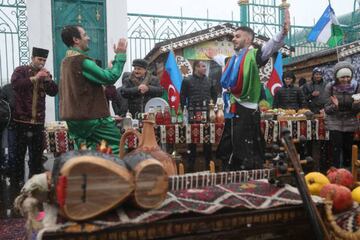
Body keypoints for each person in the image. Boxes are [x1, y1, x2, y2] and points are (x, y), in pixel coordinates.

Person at [214, 8, 290, 171]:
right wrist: (211, 55)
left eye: (237, 36)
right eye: (233, 36)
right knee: (231, 145)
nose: (233, 39)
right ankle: (231, 177)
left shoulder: (255, 56)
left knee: (247, 150)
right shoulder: (232, 59)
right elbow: (221, 59)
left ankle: (248, 182)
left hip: (247, 110)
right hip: (232, 110)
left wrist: (282, 33)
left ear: (248, 39)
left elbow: (271, 46)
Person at [59, 25, 127, 154]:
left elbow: (90, 81)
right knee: (116, 148)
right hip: (93, 118)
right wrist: (120, 56)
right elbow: (110, 78)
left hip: (74, 119)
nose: (88, 38)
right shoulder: (82, 61)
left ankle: (90, 173)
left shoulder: (65, 62)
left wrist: (107, 69)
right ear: (76, 40)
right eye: (84, 35)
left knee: (87, 153)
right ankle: (117, 173)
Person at [11, 47, 58, 187]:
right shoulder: (21, 71)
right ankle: (17, 183)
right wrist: (35, 78)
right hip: (21, 121)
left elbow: (54, 92)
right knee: (19, 154)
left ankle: (35, 183)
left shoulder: (45, 74)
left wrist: (48, 80)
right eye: (39, 59)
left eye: (44, 60)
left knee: (36, 156)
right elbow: (16, 84)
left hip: (37, 122)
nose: (42, 63)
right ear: (32, 58)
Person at [180, 60, 217, 172]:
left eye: (205, 66)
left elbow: (214, 95)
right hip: (192, 113)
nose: (205, 68)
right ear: (196, 67)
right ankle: (191, 168)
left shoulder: (209, 80)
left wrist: (211, 107)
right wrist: (184, 111)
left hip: (206, 113)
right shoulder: (187, 80)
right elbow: (182, 97)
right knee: (192, 141)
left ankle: (208, 166)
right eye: (203, 66)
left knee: (207, 140)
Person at [324, 61, 360, 168]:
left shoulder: (357, 86)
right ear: (337, 77)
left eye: (348, 77)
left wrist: (356, 105)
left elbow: (356, 111)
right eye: (342, 77)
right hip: (334, 122)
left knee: (348, 150)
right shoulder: (330, 87)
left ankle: (347, 173)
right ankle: (335, 173)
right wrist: (335, 106)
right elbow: (327, 109)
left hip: (350, 122)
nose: (345, 80)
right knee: (336, 150)